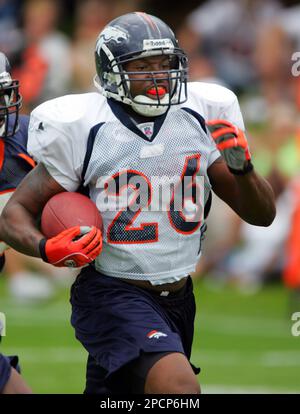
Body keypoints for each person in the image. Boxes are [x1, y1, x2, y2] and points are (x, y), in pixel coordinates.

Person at [0, 12, 276, 394]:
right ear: (111, 71)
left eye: (164, 64)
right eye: (142, 66)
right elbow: (14, 213)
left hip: (179, 297)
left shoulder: (202, 112)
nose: (158, 75)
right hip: (111, 293)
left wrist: (243, 169)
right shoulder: (85, 127)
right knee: (179, 390)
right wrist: (46, 247)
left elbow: (262, 215)